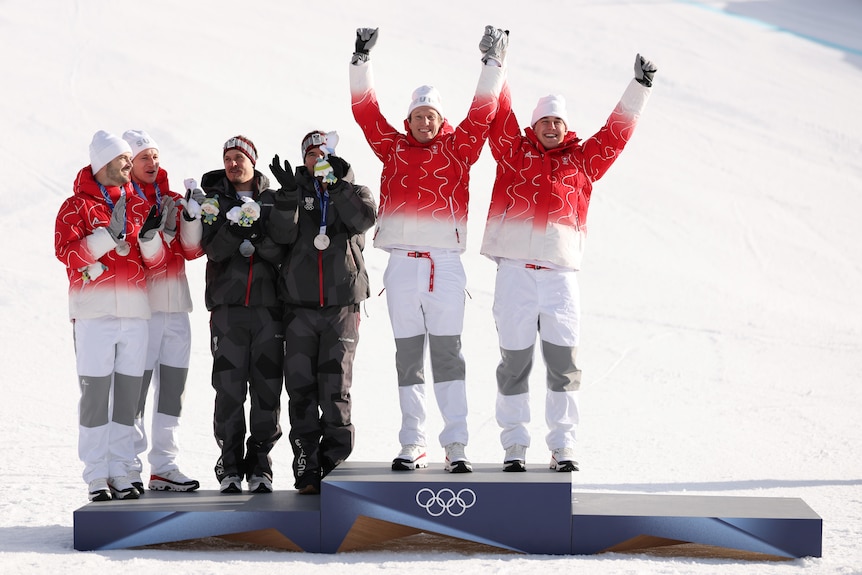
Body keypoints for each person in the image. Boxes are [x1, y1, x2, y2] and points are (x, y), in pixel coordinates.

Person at [481, 54, 658, 472]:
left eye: (557, 122)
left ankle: (563, 446)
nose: (551, 127)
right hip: (516, 275)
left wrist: (640, 87)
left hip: (560, 279)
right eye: (544, 121)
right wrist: (495, 62)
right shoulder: (512, 154)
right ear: (534, 125)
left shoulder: (582, 161)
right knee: (515, 363)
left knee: (564, 364)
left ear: (566, 127)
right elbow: (500, 114)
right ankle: (515, 447)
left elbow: (615, 135)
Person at [349, 26, 508, 473]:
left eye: (430, 116)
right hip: (401, 267)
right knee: (408, 357)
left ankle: (456, 443)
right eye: (417, 115)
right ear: (409, 120)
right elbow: (366, 114)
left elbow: (482, 113)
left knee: (447, 354)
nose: (423, 122)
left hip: (445, 267)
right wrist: (361, 61)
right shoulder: (393, 149)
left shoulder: (460, 150)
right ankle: (412, 442)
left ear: (441, 120)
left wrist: (492, 65)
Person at [55, 130, 169, 501]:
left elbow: (155, 265)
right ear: (105, 163)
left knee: (127, 398)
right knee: (95, 396)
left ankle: (122, 471)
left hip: (135, 314)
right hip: (93, 314)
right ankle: (96, 475)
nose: (129, 164)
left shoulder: (138, 204)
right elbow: (67, 254)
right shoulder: (75, 207)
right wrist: (107, 235)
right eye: (123, 159)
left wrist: (150, 238)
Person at [268, 131, 377, 494]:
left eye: (324, 152)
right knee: (301, 390)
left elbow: (363, 221)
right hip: (298, 307)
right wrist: (285, 198)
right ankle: (307, 467)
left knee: (336, 389)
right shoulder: (294, 192)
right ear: (304, 159)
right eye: (311, 154)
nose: (318, 158)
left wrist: (336, 187)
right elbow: (281, 236)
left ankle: (335, 466)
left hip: (341, 305)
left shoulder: (355, 190)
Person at [198, 135, 286, 494]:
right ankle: (230, 464)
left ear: (253, 160)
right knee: (229, 391)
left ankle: (261, 464)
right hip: (228, 310)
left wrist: (259, 238)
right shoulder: (213, 202)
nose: (234, 164)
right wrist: (234, 230)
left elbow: (283, 246)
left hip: (268, 310)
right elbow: (212, 250)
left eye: (240, 158)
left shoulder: (272, 200)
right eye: (228, 158)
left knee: (266, 390)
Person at [121, 129, 204, 493]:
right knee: (136, 392)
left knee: (173, 391)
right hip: (144, 312)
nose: (152, 163)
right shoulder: (124, 203)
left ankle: (165, 466)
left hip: (177, 309)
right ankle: (128, 465)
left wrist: (191, 217)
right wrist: (156, 236)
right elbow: (142, 260)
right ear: (129, 164)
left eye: (155, 156)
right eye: (144, 158)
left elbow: (192, 251)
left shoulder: (172, 198)